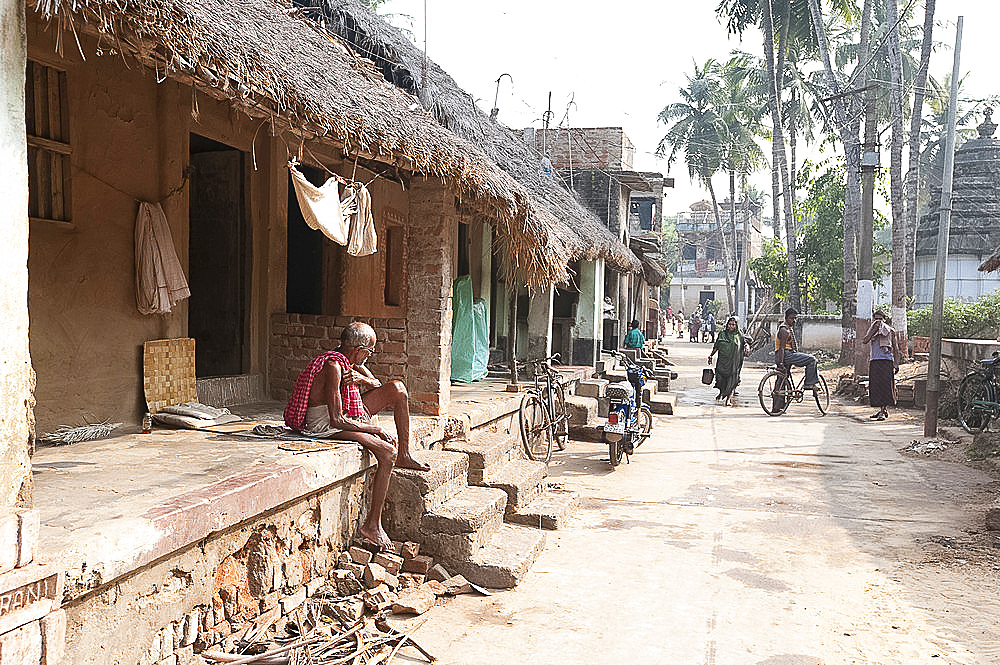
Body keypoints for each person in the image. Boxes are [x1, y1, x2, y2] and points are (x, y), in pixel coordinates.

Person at [283, 321, 429, 550]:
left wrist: (362, 380)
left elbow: (377, 384)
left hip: (346, 416)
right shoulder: (334, 366)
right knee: (386, 452)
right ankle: (372, 525)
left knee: (398, 389)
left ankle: (406, 454)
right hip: (324, 424)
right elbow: (336, 420)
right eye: (369, 352)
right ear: (359, 349)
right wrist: (376, 430)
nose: (368, 357)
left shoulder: (349, 361)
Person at [862, 310, 901, 420]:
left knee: (885, 386)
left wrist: (896, 364)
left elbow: (895, 348)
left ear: (884, 319)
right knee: (876, 386)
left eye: (880, 319)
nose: (878, 321)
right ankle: (881, 410)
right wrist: (874, 330)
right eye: (876, 319)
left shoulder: (890, 331)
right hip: (875, 360)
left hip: (886, 361)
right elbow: (865, 340)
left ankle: (883, 411)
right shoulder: (872, 330)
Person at [775, 308, 820, 391]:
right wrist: (781, 363)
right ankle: (809, 383)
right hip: (785, 355)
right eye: (791, 318)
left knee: (782, 379)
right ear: (786, 318)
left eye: (795, 318)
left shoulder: (787, 328)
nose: (794, 320)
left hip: (783, 355)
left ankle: (779, 402)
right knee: (812, 360)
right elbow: (782, 347)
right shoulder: (784, 330)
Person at [708, 317, 749, 406]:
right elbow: (716, 346)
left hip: (733, 363)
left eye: (733, 325)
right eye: (729, 324)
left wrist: (746, 346)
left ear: (736, 325)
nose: (731, 326)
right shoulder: (722, 334)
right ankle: (721, 392)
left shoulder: (739, 336)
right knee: (720, 379)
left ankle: (728, 399)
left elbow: (745, 342)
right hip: (722, 362)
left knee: (732, 380)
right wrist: (711, 355)